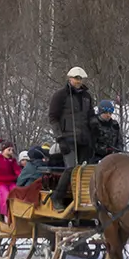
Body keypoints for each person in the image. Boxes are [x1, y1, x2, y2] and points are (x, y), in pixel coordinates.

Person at [47, 67, 99, 205]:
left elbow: (91, 114)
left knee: (85, 170)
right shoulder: (60, 95)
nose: (78, 81)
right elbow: (53, 118)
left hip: (84, 138)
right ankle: (57, 197)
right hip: (67, 138)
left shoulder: (87, 96)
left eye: (80, 79)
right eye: (76, 78)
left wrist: (94, 124)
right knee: (71, 168)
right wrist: (59, 138)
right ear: (69, 78)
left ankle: (82, 199)